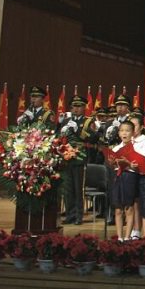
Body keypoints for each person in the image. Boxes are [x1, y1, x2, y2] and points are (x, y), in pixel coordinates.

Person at [59, 95, 97, 225]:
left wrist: (78, 130)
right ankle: (70, 214)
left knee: (78, 188)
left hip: (80, 157)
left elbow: (93, 138)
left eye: (79, 106)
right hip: (66, 157)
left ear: (84, 108)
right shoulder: (66, 121)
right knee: (67, 188)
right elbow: (59, 137)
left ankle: (78, 216)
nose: (76, 109)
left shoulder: (88, 121)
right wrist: (60, 129)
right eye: (73, 106)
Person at [109, 120, 138, 240]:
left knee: (129, 208)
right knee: (118, 209)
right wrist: (112, 163)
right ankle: (119, 237)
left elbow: (138, 167)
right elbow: (113, 166)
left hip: (130, 177)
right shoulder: (116, 148)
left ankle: (127, 237)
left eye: (127, 131)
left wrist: (128, 163)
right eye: (121, 130)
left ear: (133, 133)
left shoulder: (136, 147)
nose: (124, 133)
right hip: (118, 177)